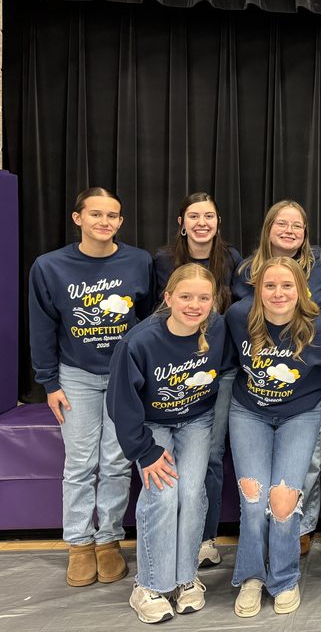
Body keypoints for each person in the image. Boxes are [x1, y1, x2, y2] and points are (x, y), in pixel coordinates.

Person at [28, 187, 155, 587]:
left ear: (120, 222)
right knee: (81, 463)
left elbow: (150, 318)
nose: (105, 222)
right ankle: (79, 544)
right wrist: (49, 382)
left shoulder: (139, 261)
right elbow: (42, 327)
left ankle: (109, 540)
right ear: (77, 218)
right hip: (76, 376)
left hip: (126, 376)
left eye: (113, 216)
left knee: (118, 461)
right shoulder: (49, 267)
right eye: (96, 214)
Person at [107, 264, 236, 623]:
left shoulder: (218, 327)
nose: (194, 305)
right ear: (168, 298)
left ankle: (184, 578)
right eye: (185, 296)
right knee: (163, 494)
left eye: (203, 298)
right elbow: (120, 403)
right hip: (152, 425)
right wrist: (144, 451)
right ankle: (149, 585)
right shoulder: (140, 340)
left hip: (196, 419)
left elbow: (224, 372)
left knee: (192, 493)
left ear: (213, 302)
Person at [226, 257, 321, 617]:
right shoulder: (238, 318)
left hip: (299, 416)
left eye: (287, 286)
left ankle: (285, 577)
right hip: (249, 413)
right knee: (254, 500)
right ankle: (252, 576)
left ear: (300, 290)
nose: (278, 293)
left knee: (284, 502)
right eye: (269, 286)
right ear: (257, 289)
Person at [234, 200, 321, 557]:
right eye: (282, 223)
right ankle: (265, 528)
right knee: (259, 468)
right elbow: (246, 317)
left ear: (305, 233)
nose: (289, 231)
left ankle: (301, 525)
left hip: (308, 359)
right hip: (263, 364)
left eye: (297, 225)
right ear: (268, 227)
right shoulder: (247, 269)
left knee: (311, 455)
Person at [152, 192, 242, 568]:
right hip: (173, 373)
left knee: (211, 457)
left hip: (219, 370)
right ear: (181, 222)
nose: (202, 222)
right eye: (194, 216)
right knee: (171, 460)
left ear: (218, 222)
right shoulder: (162, 260)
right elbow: (155, 316)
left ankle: (204, 537)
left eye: (209, 216)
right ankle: (168, 537)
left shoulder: (233, 259)